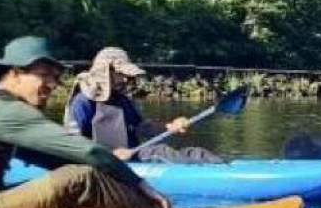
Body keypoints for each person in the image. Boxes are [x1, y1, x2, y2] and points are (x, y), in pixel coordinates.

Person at [0, 36, 171, 208]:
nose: (52, 84)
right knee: (82, 178)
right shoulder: (7, 111)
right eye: (44, 75)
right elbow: (91, 151)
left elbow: (49, 156)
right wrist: (139, 184)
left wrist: (106, 168)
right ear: (15, 74)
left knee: (80, 170)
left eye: (55, 77)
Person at [63, 47, 223, 164]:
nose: (126, 80)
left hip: (133, 158)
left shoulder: (121, 100)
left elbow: (142, 127)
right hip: (108, 164)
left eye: (127, 75)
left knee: (197, 153)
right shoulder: (82, 102)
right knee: (160, 151)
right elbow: (72, 144)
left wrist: (170, 126)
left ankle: (223, 168)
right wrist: (110, 154)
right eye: (121, 74)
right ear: (105, 72)